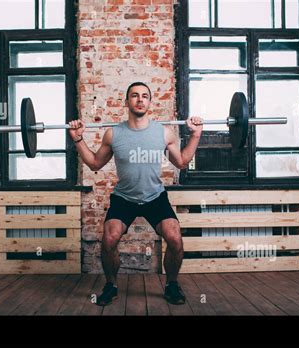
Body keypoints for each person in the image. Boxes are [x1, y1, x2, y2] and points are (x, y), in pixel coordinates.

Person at [68, 82, 202, 306]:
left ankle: (171, 284)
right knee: (109, 238)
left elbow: (181, 162)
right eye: (134, 95)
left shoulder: (163, 132)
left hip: (154, 197)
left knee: (175, 238)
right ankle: (111, 285)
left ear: (150, 102)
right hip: (124, 198)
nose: (140, 99)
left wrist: (196, 135)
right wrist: (78, 139)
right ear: (127, 101)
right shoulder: (114, 134)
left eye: (144, 96)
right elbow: (93, 164)